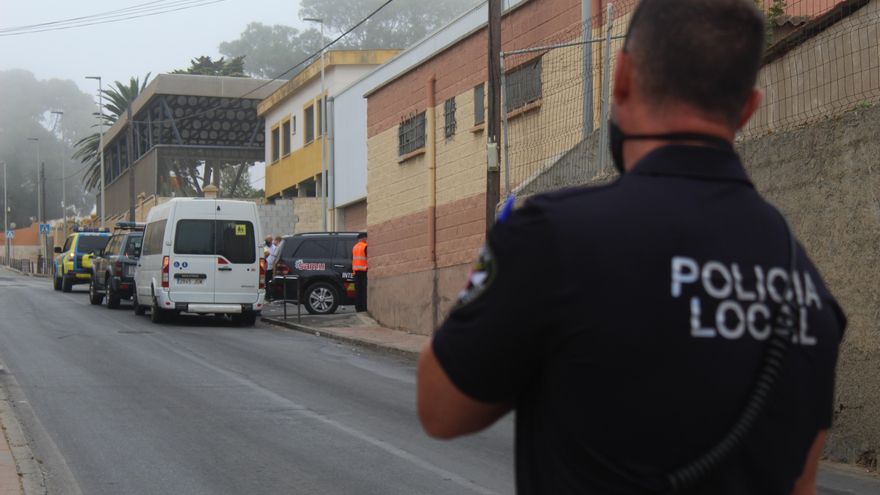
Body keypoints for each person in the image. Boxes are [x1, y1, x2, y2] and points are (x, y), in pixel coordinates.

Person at [416, 1, 846, 494]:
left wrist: (499, 269)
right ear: (748, 107)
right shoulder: (810, 289)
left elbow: (440, 408)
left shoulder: (552, 236)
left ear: (620, 77)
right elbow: (802, 484)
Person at [352, 233, 368, 312]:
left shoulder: (355, 247)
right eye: (366, 238)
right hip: (364, 271)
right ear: (363, 238)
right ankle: (364, 308)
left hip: (356, 272)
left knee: (358, 291)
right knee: (364, 291)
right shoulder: (365, 246)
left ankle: (358, 308)